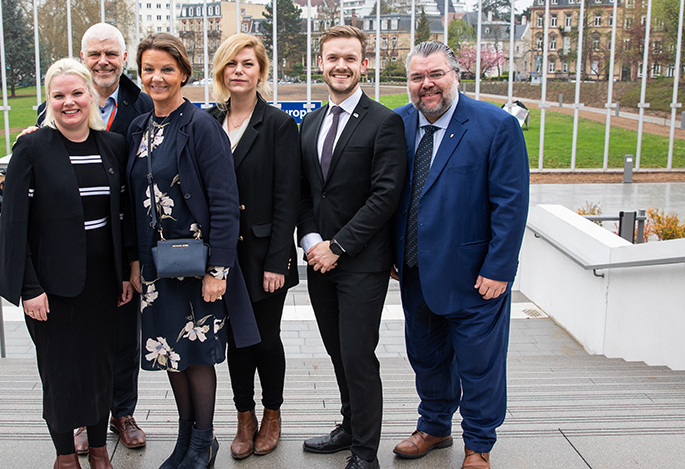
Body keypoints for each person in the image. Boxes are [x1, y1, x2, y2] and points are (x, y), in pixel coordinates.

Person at [0, 57, 135, 469]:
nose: (69, 103)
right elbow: (15, 221)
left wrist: (127, 271)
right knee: (59, 372)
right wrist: (28, 286)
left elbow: (121, 215)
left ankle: (99, 447)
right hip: (51, 288)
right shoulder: (32, 147)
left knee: (100, 367)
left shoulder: (113, 146)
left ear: (91, 96)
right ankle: (64, 452)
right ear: (48, 101)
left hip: (103, 284)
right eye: (59, 96)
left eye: (76, 93)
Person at [391, 41, 529, 469]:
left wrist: (499, 268)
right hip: (414, 271)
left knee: (479, 366)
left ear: (456, 75)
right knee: (427, 357)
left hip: (476, 278)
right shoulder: (397, 124)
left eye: (435, 75)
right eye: (417, 77)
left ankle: (479, 445)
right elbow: (390, 194)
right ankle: (434, 426)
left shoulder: (496, 125)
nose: (426, 85)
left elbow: (511, 203)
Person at [126, 33, 260, 469]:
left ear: (183, 72)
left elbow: (224, 202)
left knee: (197, 354)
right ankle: (186, 439)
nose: (157, 77)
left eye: (167, 68)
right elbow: (132, 202)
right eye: (149, 68)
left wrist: (218, 270)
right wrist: (134, 262)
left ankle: (204, 442)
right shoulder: (139, 127)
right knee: (170, 352)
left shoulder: (200, 126)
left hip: (197, 266)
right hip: (154, 268)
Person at [27, 22, 153, 453]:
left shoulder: (142, 104)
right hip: (63, 262)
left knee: (121, 337)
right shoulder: (53, 109)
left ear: (123, 59)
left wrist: (133, 260)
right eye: (94, 54)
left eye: (111, 54)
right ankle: (82, 419)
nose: (103, 61)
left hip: (119, 249)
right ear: (83, 60)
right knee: (75, 347)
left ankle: (122, 411)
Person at [297, 25, 407, 469]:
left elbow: (384, 196)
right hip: (319, 261)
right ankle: (347, 427)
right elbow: (304, 192)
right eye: (332, 58)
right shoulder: (309, 122)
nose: (340, 66)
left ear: (365, 64)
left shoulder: (385, 121)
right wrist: (311, 242)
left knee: (358, 355)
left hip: (361, 262)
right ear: (320, 64)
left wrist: (337, 246)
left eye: (350, 58)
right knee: (336, 351)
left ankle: (365, 452)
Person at [207, 33, 300, 459]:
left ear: (261, 71)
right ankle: (244, 416)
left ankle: (272, 413)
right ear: (221, 71)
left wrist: (279, 259)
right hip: (222, 256)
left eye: (247, 63)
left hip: (264, 256)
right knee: (235, 341)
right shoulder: (208, 121)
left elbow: (287, 197)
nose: (239, 71)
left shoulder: (278, 125)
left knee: (264, 339)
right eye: (231, 64)